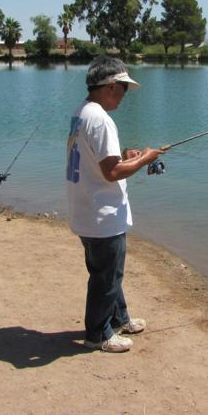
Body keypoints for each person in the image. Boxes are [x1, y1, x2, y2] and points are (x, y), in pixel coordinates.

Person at [66, 56, 164, 353]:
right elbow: (111, 173)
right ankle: (98, 334)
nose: (124, 96)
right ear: (110, 87)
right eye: (123, 89)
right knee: (106, 277)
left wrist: (125, 155)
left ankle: (119, 318)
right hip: (102, 216)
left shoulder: (82, 112)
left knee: (109, 272)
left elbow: (98, 161)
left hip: (86, 210)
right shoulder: (102, 120)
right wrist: (145, 158)